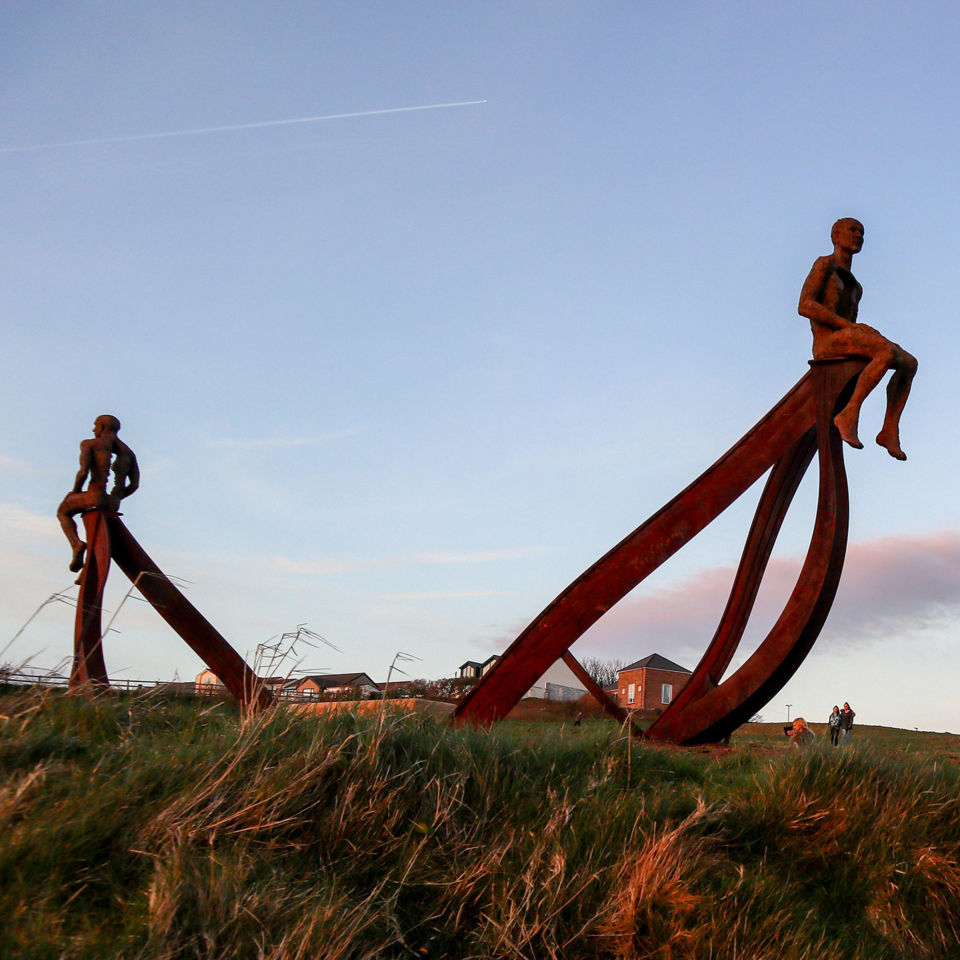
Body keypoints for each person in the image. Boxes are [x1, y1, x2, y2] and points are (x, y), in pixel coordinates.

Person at [798, 218, 917, 460]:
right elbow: (805, 305)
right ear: (836, 235)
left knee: (909, 362)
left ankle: (889, 429)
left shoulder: (856, 287)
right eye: (852, 230)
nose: (858, 235)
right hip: (827, 343)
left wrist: (859, 332)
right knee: (885, 351)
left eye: (862, 232)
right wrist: (849, 327)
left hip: (846, 338)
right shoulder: (824, 265)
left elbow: (854, 333)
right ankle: (849, 413)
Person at [57, 415, 140, 572]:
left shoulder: (90, 444)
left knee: (63, 512)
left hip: (94, 495)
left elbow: (83, 473)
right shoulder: (129, 453)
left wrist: (74, 492)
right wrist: (116, 498)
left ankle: (76, 545)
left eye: (95, 425)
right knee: (96, 533)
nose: (94, 429)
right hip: (113, 503)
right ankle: (88, 566)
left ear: (102, 426)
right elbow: (134, 485)